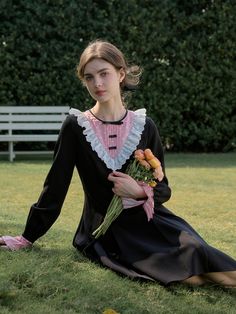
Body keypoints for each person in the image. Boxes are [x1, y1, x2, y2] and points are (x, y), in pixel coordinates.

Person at [1, 40, 236, 287]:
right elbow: (55, 187)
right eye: (89, 77)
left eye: (104, 74)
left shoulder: (145, 126)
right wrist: (27, 237)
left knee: (198, 250)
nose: (97, 83)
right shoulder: (76, 126)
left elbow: (163, 189)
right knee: (190, 277)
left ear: (121, 74)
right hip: (106, 231)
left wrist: (139, 191)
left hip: (150, 222)